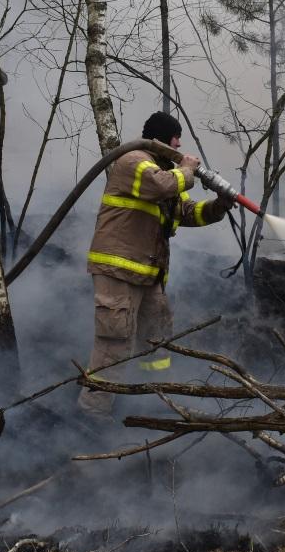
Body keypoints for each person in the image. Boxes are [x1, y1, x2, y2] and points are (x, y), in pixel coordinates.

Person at [80, 111, 234, 417]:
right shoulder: (133, 161)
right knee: (115, 343)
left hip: (148, 275)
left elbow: (188, 213)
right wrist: (187, 169)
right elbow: (161, 186)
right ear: (164, 137)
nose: (180, 143)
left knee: (157, 337)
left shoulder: (163, 173)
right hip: (118, 271)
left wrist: (220, 205)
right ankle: (93, 411)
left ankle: (153, 398)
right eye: (176, 137)